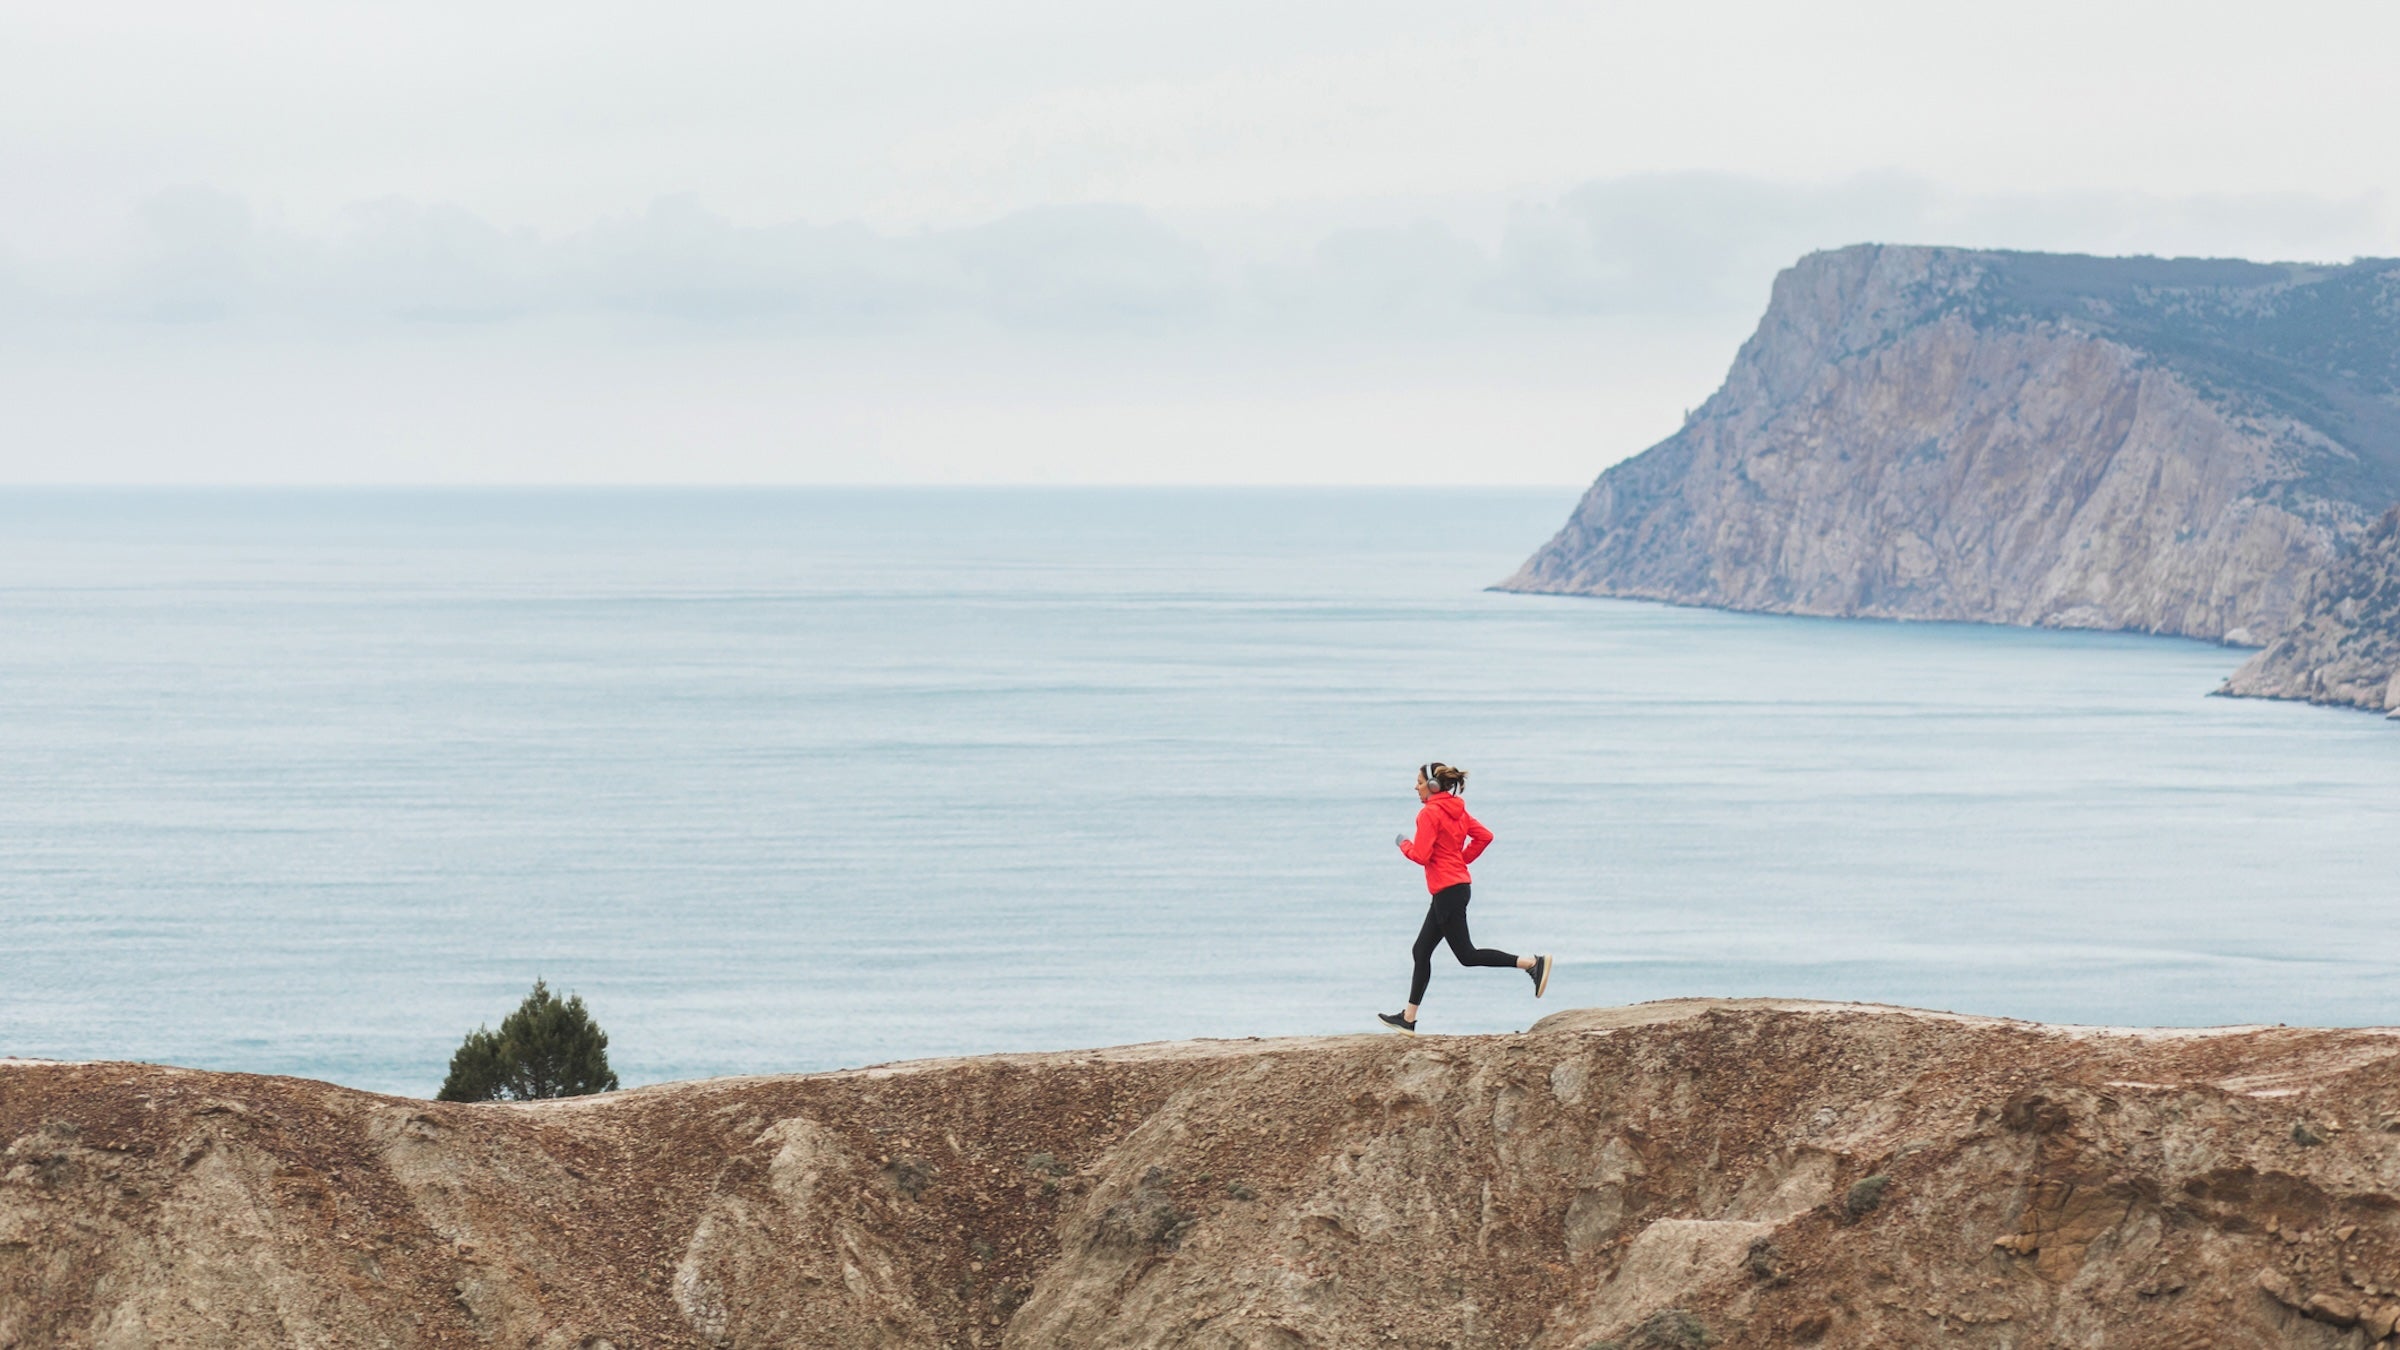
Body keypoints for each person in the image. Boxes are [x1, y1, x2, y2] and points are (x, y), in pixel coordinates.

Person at [1377, 762, 1551, 1034]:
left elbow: (1421, 856)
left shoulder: (1429, 814)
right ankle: (1408, 1019)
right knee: (1421, 951)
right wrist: (1461, 860)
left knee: (1467, 955)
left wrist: (1403, 844)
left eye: (1419, 782)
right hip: (1452, 889)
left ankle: (1531, 964)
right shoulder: (1458, 810)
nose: (1416, 787)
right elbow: (1485, 836)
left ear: (1433, 786)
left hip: (1448, 891)